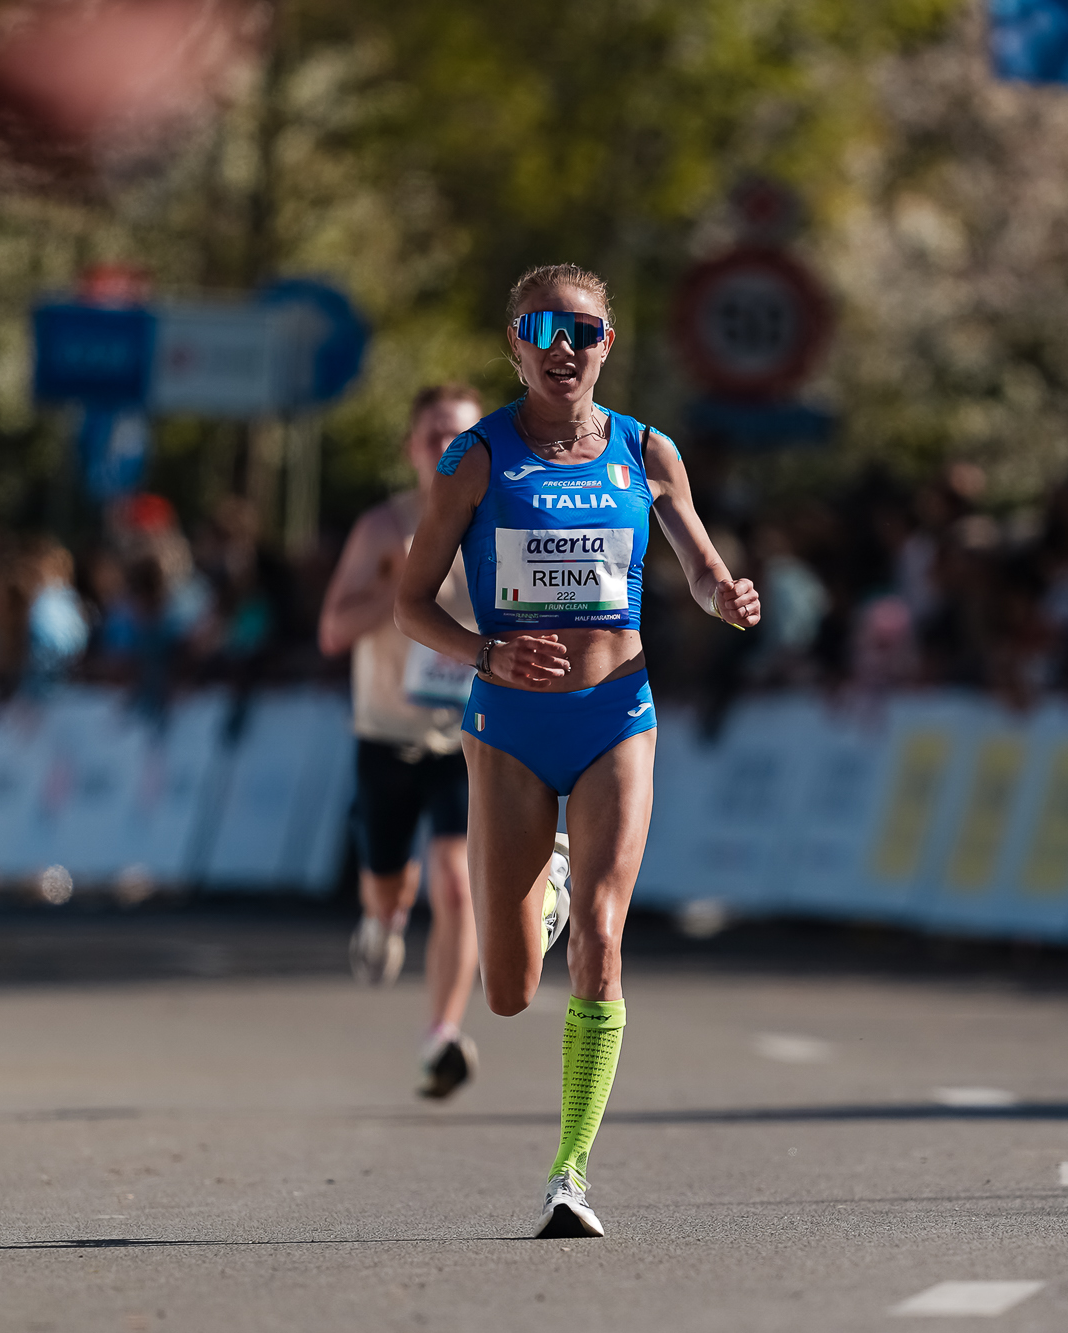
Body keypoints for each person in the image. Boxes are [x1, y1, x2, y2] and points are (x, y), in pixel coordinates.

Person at [395, 265, 761, 1237]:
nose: (564, 346)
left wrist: (724, 596)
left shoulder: (646, 450)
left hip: (616, 714)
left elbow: (698, 564)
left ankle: (571, 1172)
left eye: (583, 330)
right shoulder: (476, 457)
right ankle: (545, 886)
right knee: (509, 991)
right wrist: (485, 652)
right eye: (542, 329)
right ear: (513, 347)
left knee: (603, 938)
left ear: (608, 344)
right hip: (509, 727)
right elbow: (409, 603)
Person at [319, 384, 495, 1099]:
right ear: (411, 448)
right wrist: (400, 586)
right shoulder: (384, 527)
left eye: (460, 435)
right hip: (388, 733)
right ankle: (382, 915)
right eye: (432, 436)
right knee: (389, 881)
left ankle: (441, 1035)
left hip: (468, 734)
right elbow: (333, 631)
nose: (445, 447)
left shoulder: (504, 521)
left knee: (457, 881)